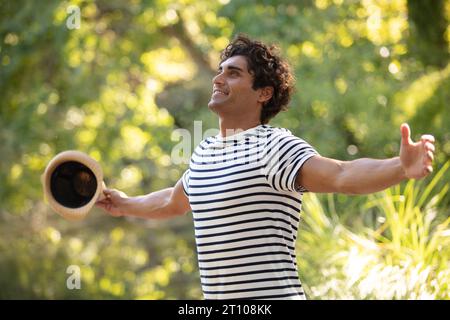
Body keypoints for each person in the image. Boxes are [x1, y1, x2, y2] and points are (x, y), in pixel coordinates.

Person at [96, 34, 436, 300]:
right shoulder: (204, 153)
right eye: (219, 71)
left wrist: (400, 167)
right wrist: (123, 203)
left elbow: (341, 174)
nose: (218, 79)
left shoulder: (274, 146)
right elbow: (172, 201)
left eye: (233, 73)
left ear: (264, 93)